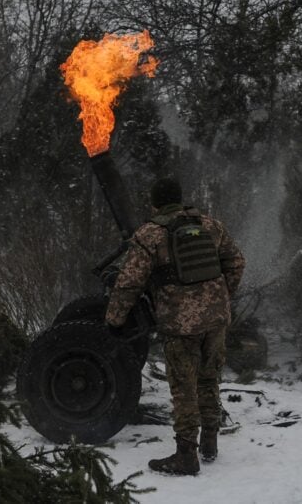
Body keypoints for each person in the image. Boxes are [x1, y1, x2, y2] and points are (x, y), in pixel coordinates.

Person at [105, 177, 245, 475]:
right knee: (209, 380)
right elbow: (236, 262)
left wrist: (114, 320)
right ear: (180, 200)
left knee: (183, 389)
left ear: (155, 203)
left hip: (180, 324)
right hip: (217, 319)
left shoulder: (150, 234)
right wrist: (219, 297)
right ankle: (209, 443)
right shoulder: (210, 225)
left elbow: (128, 283)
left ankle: (186, 456)